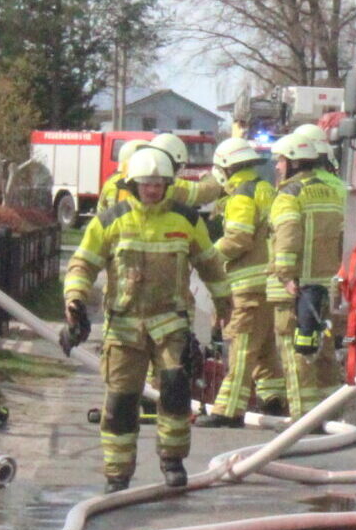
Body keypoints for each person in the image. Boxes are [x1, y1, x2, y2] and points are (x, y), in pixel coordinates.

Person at [59, 144, 231, 489]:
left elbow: (210, 263)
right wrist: (74, 300)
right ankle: (117, 473)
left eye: (159, 183)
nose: (152, 189)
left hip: (170, 324)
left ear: (169, 183)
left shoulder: (185, 220)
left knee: (175, 390)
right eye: (146, 183)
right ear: (133, 184)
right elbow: (83, 263)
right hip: (124, 327)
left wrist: (224, 306)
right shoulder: (111, 220)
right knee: (121, 401)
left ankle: (172, 460)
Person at [198, 136, 287, 427]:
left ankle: (228, 410)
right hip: (268, 284)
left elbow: (238, 238)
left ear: (225, 168)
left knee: (242, 346)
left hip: (248, 288)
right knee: (263, 349)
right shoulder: (264, 189)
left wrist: (207, 255)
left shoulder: (241, 196)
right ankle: (274, 400)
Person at [266, 124, 349, 417]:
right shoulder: (332, 190)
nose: (277, 167)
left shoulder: (290, 194)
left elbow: (288, 233)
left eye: (280, 161)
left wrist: (287, 275)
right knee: (325, 351)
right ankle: (330, 413)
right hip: (330, 287)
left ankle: (303, 416)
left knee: (295, 351)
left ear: (292, 161)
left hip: (297, 290)